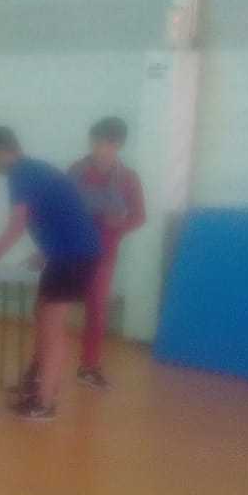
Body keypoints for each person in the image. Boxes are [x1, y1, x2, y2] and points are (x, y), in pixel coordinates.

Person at [0, 127, 102, 422]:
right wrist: (46, 252)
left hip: (73, 256)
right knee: (42, 314)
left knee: (53, 327)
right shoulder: (31, 169)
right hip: (68, 253)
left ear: (1, 150)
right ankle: (36, 381)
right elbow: (59, 213)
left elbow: (17, 225)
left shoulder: (20, 173)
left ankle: (44, 402)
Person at [68, 117, 145, 390]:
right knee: (53, 309)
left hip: (103, 254)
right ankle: (39, 368)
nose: (101, 149)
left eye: (109, 144)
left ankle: (89, 367)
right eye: (96, 142)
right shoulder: (76, 171)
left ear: (119, 145)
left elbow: (139, 216)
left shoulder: (128, 178)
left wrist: (119, 225)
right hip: (71, 250)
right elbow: (60, 207)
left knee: (97, 311)